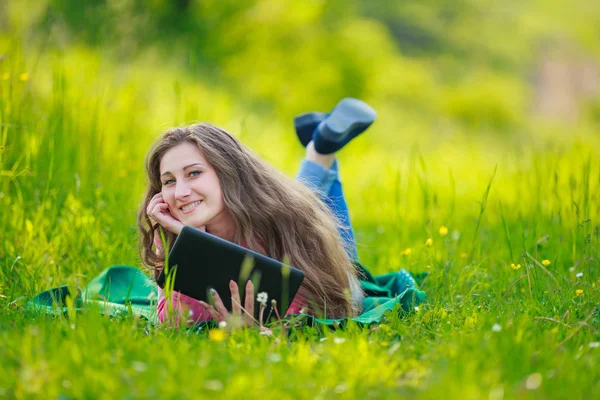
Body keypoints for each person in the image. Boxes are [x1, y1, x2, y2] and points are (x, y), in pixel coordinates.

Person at [137, 98, 377, 326]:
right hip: (285, 209)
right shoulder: (171, 228)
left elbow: (311, 310)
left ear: (226, 171)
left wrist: (256, 329)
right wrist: (185, 241)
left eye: (194, 173)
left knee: (314, 214)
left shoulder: (279, 220)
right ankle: (322, 147)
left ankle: (321, 151)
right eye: (168, 181)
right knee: (304, 198)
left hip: (335, 279)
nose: (180, 193)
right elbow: (171, 321)